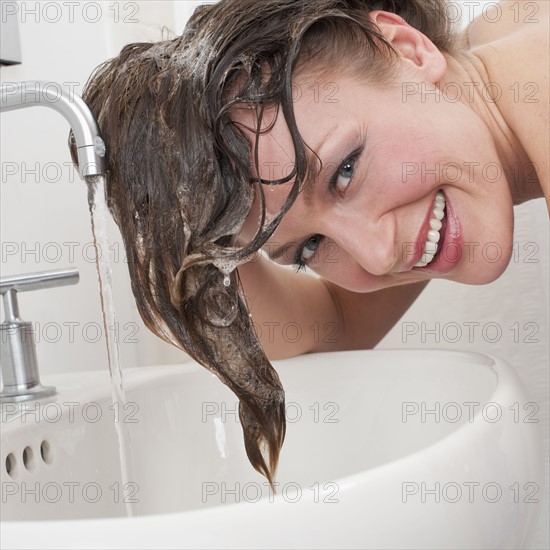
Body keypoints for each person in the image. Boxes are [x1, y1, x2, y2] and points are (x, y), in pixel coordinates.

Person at [72, 0, 549, 487]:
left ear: (407, 49)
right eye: (309, 248)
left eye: (347, 170)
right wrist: (194, 223)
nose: (376, 254)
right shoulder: (481, 74)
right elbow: (331, 326)